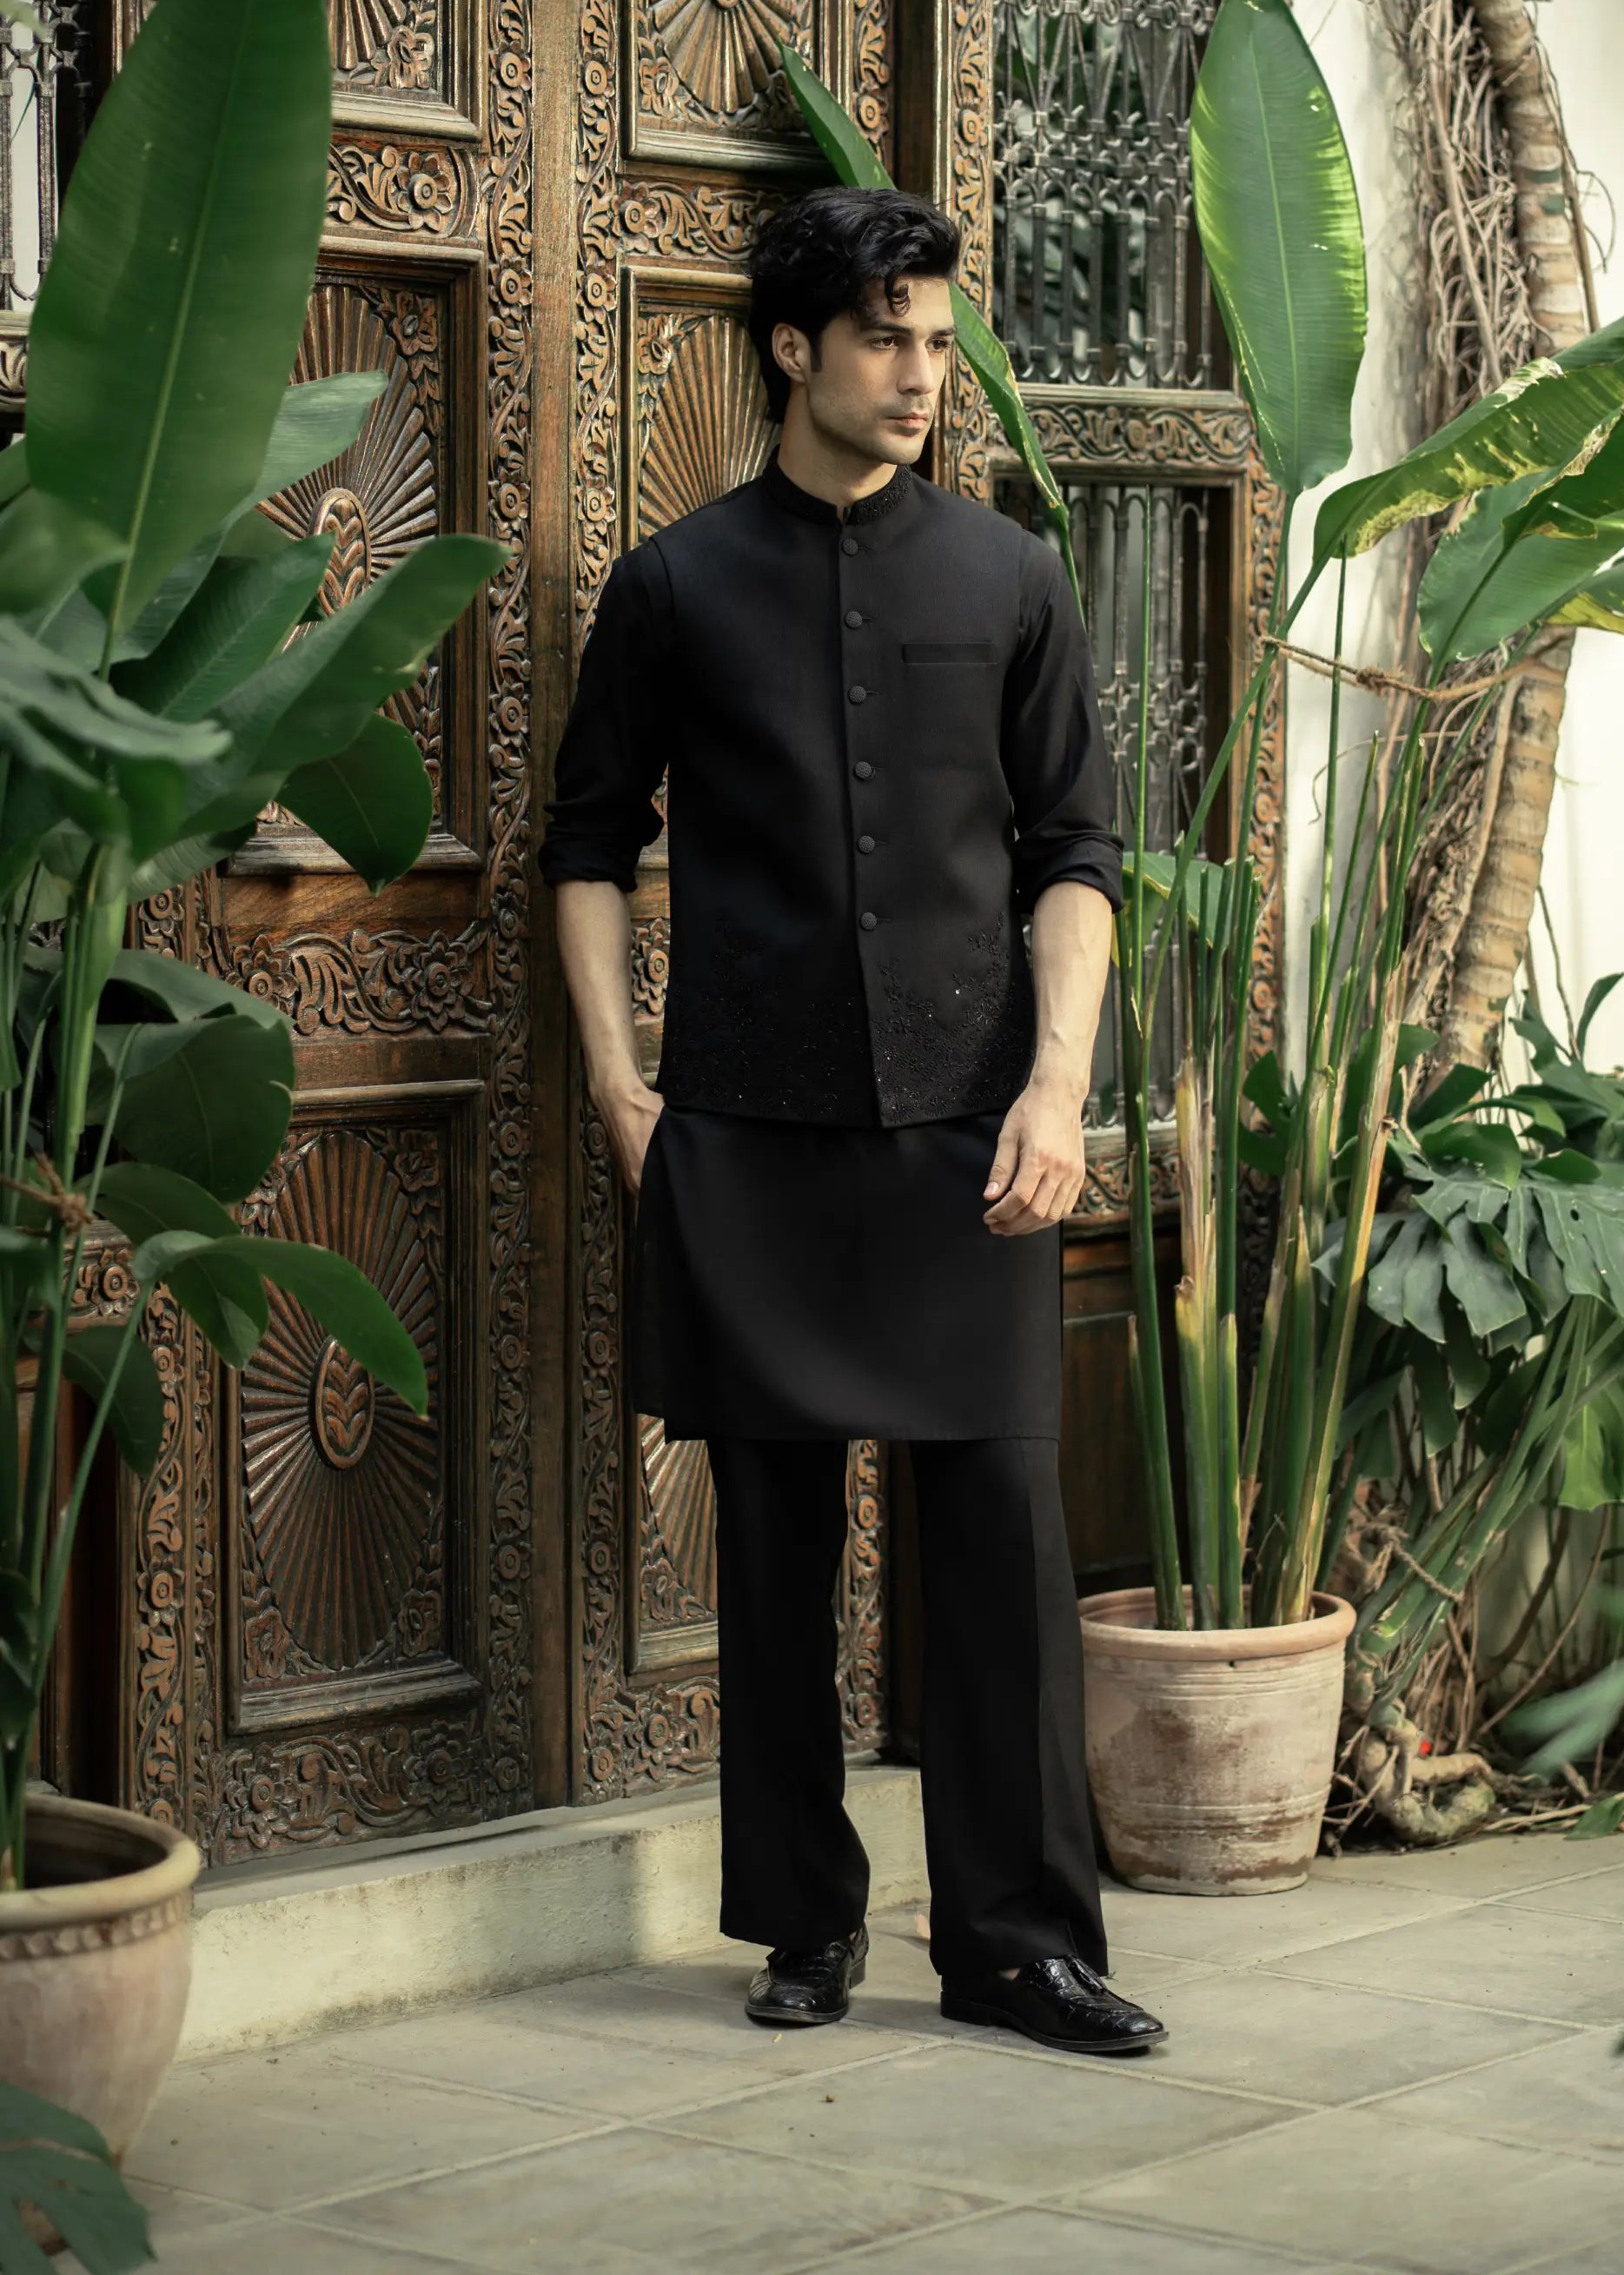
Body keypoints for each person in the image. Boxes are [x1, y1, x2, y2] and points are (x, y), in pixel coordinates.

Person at [540, 186, 1164, 2058]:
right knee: (774, 1546)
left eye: (935, 333)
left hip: (975, 1140)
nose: (922, 369)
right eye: (885, 333)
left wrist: (1058, 1086)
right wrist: (616, 1080)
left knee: (996, 1543)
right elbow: (584, 849)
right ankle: (802, 1923)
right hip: (746, 1135)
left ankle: (1018, 1944)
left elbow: (1077, 854)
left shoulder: (1009, 580)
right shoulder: (669, 588)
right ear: (793, 348)